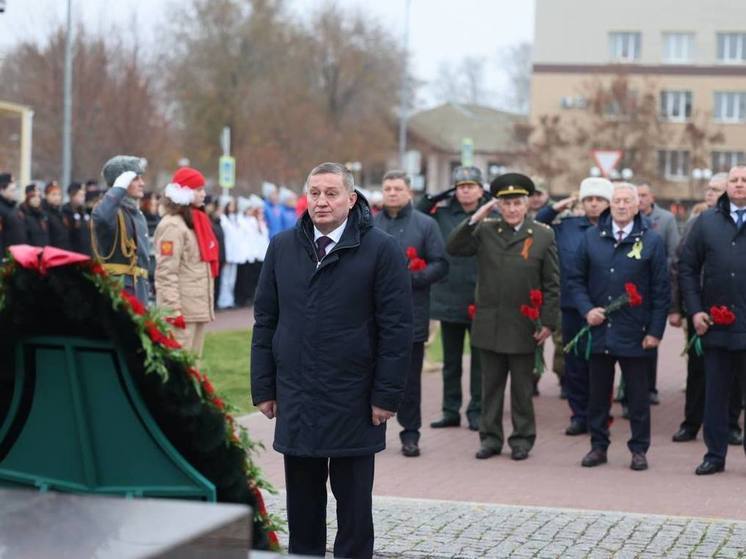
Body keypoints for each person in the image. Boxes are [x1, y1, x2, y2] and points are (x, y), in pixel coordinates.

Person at [251, 162, 412, 558]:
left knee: (354, 506)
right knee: (302, 504)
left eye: (331, 193)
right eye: (315, 193)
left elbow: (396, 329)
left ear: (351, 199)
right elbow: (266, 320)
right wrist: (264, 387)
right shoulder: (283, 246)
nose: (321, 202)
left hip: (354, 397)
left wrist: (386, 396)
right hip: (298, 394)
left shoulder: (381, 249)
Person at [448, 173, 559, 461]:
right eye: (506, 204)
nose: (512, 209)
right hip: (490, 322)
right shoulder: (486, 230)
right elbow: (454, 248)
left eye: (517, 203)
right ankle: (490, 438)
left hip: (524, 324)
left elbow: (552, 283)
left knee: (522, 389)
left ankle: (522, 439)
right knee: (490, 387)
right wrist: (476, 216)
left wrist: (548, 322)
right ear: (498, 206)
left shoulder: (543, 234)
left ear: (527, 205)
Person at [569, 182, 670, 471]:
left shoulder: (651, 241)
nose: (622, 206)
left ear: (638, 205)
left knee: (637, 396)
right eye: (617, 201)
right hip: (599, 330)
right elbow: (575, 280)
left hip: (635, 332)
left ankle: (639, 450)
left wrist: (655, 331)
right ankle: (598, 446)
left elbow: (660, 291)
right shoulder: (591, 237)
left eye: (627, 201)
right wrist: (587, 309)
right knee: (598, 394)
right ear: (609, 206)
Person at [373, 170, 448, 457]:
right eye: (387, 188)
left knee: (408, 378)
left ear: (409, 193)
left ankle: (410, 432)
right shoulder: (371, 224)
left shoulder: (425, 225)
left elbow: (441, 264)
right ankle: (373, 428)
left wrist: (411, 278)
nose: (392, 193)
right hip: (373, 315)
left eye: (397, 188)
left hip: (411, 312)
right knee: (371, 374)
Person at [679, 165, 746, 475]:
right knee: (715, 393)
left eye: (745, 180)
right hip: (715, 323)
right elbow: (688, 267)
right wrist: (694, 310)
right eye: (734, 180)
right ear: (725, 186)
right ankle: (714, 455)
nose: (739, 185)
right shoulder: (706, 221)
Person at [535, 177, 613, 436]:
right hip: (571, 306)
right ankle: (579, 415)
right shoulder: (566, 226)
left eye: (599, 200)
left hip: (606, 307)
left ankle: (599, 414)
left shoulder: (617, 227)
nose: (593, 204)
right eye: (588, 199)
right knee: (575, 362)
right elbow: (536, 226)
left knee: (601, 363)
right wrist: (556, 207)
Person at [417, 166, 491, 431]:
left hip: (482, 294)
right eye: (460, 186)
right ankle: (450, 410)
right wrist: (438, 195)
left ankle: (477, 411)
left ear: (481, 189)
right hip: (449, 293)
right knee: (451, 361)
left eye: (471, 186)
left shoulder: (491, 214)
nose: (465, 191)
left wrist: (491, 197)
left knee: (480, 362)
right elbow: (418, 213)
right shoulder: (444, 213)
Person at [154, 167, 218, 357]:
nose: (203, 194)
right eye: (198, 189)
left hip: (195, 308)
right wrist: (172, 310)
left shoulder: (195, 222)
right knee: (179, 368)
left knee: (193, 367)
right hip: (182, 311)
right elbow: (166, 272)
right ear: (185, 193)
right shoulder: (172, 226)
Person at [636, 181, 681, 406]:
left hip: (656, 286)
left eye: (644, 195)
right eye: (637, 195)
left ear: (651, 197)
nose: (640, 199)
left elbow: (674, 253)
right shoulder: (628, 222)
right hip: (631, 289)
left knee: (650, 338)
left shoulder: (666, 220)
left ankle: (650, 387)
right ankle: (628, 388)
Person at [91, 155, 151, 304]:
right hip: (121, 289)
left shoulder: (134, 212)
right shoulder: (110, 211)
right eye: (135, 179)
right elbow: (101, 217)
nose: (142, 183)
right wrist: (118, 189)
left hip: (139, 288)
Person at [0, 173, 27, 255]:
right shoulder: (1, 209)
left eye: (15, 190)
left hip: (19, 255)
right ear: (1, 189)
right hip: (7, 259)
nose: (14, 193)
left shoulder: (14, 207)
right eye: (12, 190)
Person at [62, 182, 92, 256]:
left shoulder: (83, 212)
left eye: (84, 195)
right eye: (80, 195)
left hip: (86, 253)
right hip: (74, 254)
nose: (83, 198)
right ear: (72, 196)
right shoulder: (66, 212)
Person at [42, 181, 71, 250]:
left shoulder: (60, 212)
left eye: (59, 194)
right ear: (46, 195)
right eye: (53, 194)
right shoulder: (43, 213)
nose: (57, 198)